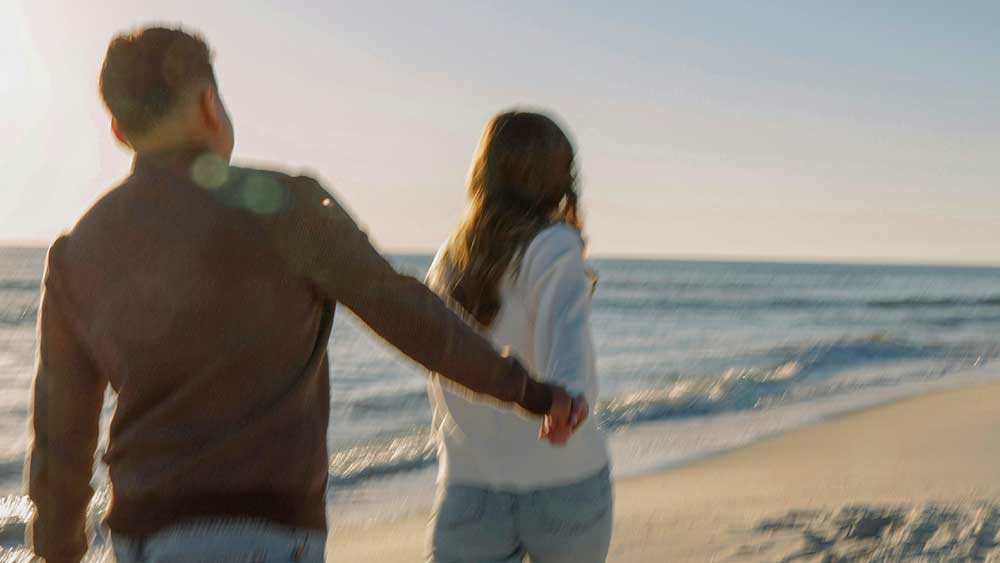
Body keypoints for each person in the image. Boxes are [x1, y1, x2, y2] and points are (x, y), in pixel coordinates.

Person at [25, 27, 584, 563]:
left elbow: (61, 433)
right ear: (208, 107)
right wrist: (529, 391)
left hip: (138, 538)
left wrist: (56, 550)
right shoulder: (283, 206)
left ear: (120, 132)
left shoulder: (76, 252)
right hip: (258, 535)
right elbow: (405, 312)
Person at [425, 111, 612, 563]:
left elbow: (438, 354)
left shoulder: (449, 260)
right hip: (562, 482)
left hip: (470, 487)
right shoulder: (553, 245)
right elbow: (563, 325)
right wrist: (565, 398)